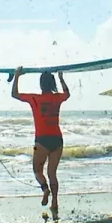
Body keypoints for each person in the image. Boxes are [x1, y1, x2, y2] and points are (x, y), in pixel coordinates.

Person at [11, 66, 70, 211]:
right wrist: (62, 78)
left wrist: (17, 75)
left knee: (37, 171)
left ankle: (45, 189)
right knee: (52, 174)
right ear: (52, 83)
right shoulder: (57, 98)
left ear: (41, 84)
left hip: (42, 140)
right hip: (57, 139)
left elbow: (14, 94)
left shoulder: (34, 98)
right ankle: (55, 202)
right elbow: (67, 94)